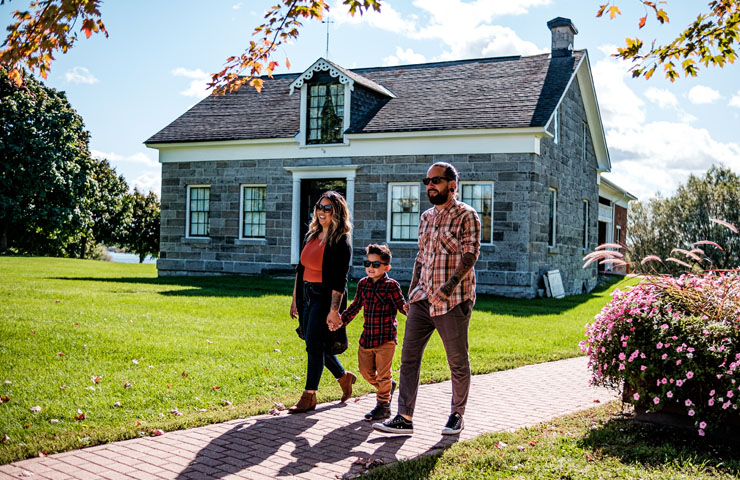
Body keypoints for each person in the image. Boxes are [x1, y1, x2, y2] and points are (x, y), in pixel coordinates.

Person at [373, 162, 480, 435]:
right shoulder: (425, 217)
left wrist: (449, 286)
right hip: (422, 298)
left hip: (453, 299)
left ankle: (457, 414)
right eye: (427, 181)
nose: (430, 185)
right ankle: (404, 418)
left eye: (436, 180)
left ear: (452, 185)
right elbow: (421, 257)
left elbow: (470, 254)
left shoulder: (466, 215)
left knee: (457, 361)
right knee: (409, 358)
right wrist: (411, 291)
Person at [288, 191, 356, 413]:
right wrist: (295, 299)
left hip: (324, 296)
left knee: (314, 346)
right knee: (314, 342)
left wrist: (334, 311)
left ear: (337, 211)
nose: (322, 211)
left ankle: (309, 395)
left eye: (327, 208)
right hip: (306, 294)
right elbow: (301, 268)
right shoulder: (312, 235)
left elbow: (340, 280)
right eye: (319, 206)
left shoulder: (341, 241)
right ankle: (344, 377)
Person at [333, 244, 407, 421]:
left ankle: (383, 406)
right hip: (367, 338)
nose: (370, 268)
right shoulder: (363, 284)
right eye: (368, 263)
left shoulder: (391, 286)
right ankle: (387, 387)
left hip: (386, 338)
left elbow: (402, 307)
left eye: (376, 264)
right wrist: (341, 321)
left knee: (383, 374)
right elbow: (355, 306)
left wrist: (415, 314)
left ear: (386, 267)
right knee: (365, 372)